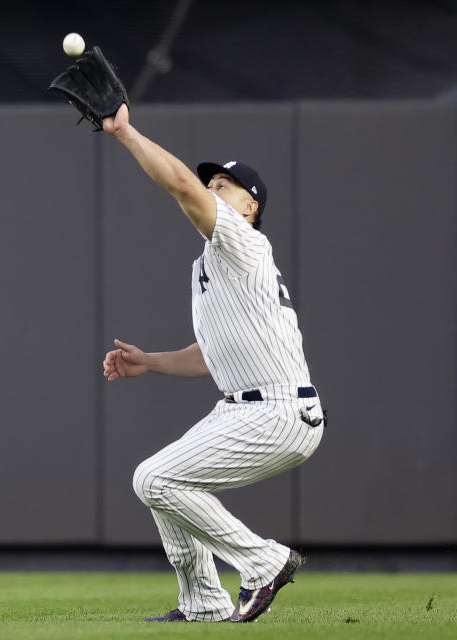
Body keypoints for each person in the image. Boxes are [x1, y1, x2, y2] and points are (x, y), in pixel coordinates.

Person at [100, 105, 325, 623]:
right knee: (170, 483)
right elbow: (212, 353)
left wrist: (126, 132)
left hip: (278, 411)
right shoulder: (214, 261)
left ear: (250, 207)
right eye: (213, 183)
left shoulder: (243, 241)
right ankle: (202, 601)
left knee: (154, 479)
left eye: (225, 185)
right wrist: (150, 361)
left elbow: (181, 183)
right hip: (246, 406)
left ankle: (263, 561)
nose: (213, 188)